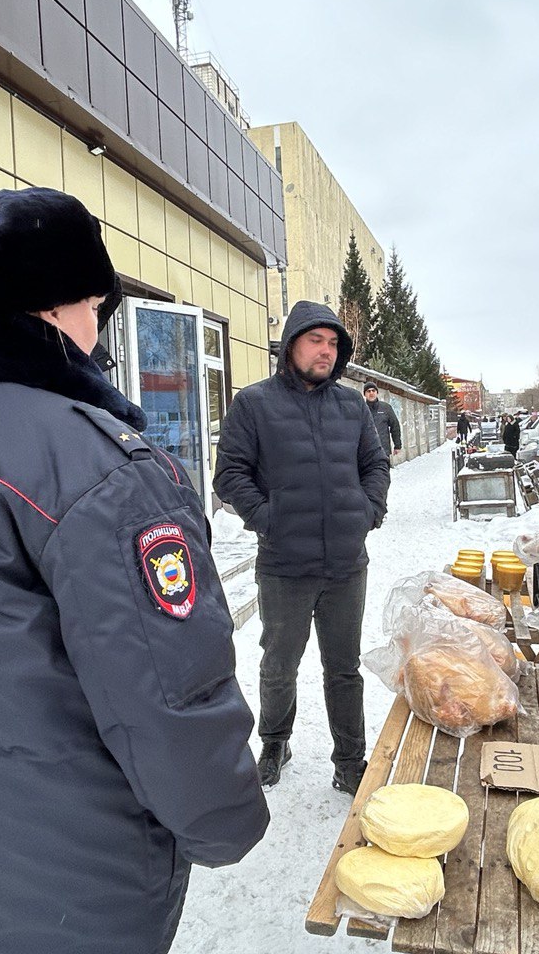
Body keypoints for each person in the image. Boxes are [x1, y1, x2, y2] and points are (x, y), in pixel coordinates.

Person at [0, 188, 268, 954]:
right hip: (88, 844)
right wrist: (224, 816)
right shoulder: (94, 464)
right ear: (49, 310)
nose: (98, 324)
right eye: (93, 303)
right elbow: (163, 682)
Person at [213, 301, 391, 795]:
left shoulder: (353, 406)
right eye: (316, 340)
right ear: (291, 344)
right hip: (285, 566)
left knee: (344, 668)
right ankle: (275, 742)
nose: (326, 351)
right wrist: (271, 520)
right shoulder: (254, 403)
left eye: (333, 343)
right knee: (279, 662)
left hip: (345, 566)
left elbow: (375, 465)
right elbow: (229, 476)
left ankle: (350, 760)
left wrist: (368, 510)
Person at [363, 381, 402, 458]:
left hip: (383, 450)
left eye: (373, 391)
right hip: (366, 451)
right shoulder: (361, 408)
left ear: (377, 393)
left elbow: (395, 426)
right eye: (368, 391)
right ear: (365, 394)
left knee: (383, 470)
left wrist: (397, 445)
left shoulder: (386, 408)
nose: (371, 393)